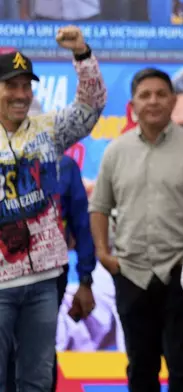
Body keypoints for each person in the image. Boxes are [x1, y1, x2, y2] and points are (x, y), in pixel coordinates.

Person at [89, 68, 183, 392]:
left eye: (160, 94)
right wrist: (103, 252)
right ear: (133, 105)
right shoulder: (115, 151)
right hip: (131, 274)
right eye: (145, 95)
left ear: (173, 101)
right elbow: (99, 206)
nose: (153, 101)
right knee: (141, 368)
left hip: (181, 277)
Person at [0, 26, 105, 392]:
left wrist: (82, 54)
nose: (21, 94)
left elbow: (91, 108)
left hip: (44, 280)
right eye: (11, 85)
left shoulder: (48, 130)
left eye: (26, 86)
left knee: (37, 379)